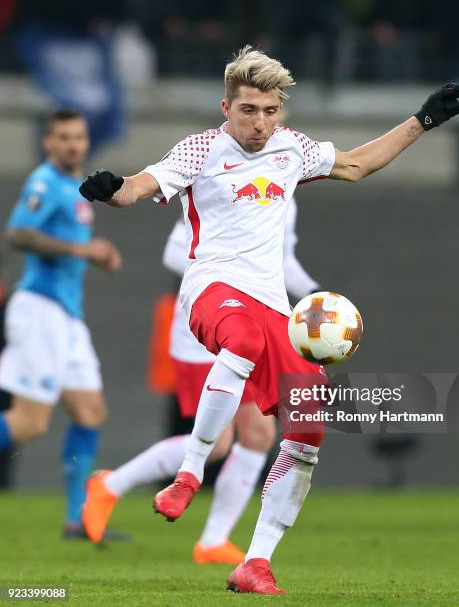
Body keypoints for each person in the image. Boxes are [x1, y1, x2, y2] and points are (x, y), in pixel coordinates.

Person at [79, 46, 459, 594]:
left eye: (269, 111)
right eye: (248, 111)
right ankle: (189, 474)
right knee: (240, 339)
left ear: (280, 111)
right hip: (212, 288)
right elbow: (140, 185)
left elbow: (357, 164)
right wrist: (111, 189)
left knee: (307, 426)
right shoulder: (202, 149)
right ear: (226, 108)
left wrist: (424, 120)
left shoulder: (291, 148)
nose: (260, 123)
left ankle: (254, 561)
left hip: (273, 306)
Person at [82, 198, 320, 568]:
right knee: (221, 444)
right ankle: (109, 486)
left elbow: (281, 261)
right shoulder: (226, 186)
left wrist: (314, 291)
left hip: (256, 321)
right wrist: (234, 275)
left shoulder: (286, 193)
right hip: (209, 322)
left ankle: (212, 541)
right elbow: (175, 252)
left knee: (259, 434)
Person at [0, 109, 123, 538]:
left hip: (68, 316)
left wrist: (96, 255)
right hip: (40, 310)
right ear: (48, 142)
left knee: (90, 413)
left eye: (78, 137)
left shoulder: (76, 187)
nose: (73, 144)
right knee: (31, 422)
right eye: (63, 137)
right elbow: (17, 234)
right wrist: (80, 251)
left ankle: (78, 520)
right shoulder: (44, 182)